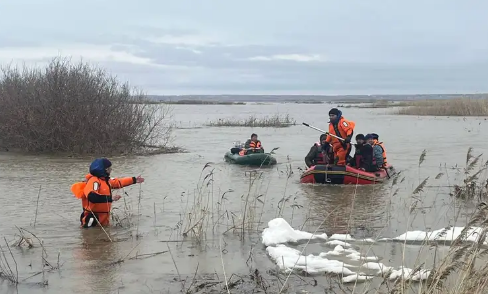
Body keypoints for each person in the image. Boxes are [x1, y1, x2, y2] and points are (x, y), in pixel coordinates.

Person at [72, 158, 145, 228]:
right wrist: (110, 199)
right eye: (110, 168)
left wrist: (134, 180)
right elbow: (92, 197)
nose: (111, 170)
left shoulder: (106, 180)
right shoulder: (94, 181)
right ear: (105, 169)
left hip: (103, 219)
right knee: (90, 236)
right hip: (92, 218)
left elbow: (118, 182)